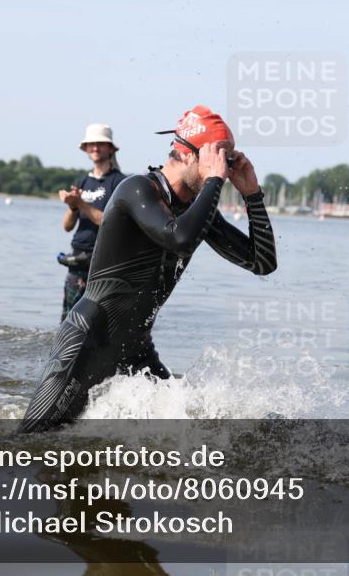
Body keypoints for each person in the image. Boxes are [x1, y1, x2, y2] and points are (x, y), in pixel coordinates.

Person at [20, 105, 277, 433]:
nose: (223, 170)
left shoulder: (198, 210)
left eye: (226, 160)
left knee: (186, 433)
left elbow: (263, 263)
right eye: (215, 158)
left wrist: (252, 195)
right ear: (187, 154)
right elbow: (179, 239)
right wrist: (214, 180)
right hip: (89, 340)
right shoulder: (137, 189)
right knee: (32, 445)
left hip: (136, 349)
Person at [57, 124, 127, 320]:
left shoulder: (119, 183)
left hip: (104, 262)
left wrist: (81, 203)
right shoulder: (82, 182)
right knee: (69, 321)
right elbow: (67, 226)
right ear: (86, 149)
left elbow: (110, 222)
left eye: (100, 144)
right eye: (91, 144)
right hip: (77, 259)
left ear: (110, 149)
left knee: (98, 322)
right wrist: (73, 206)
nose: (95, 148)